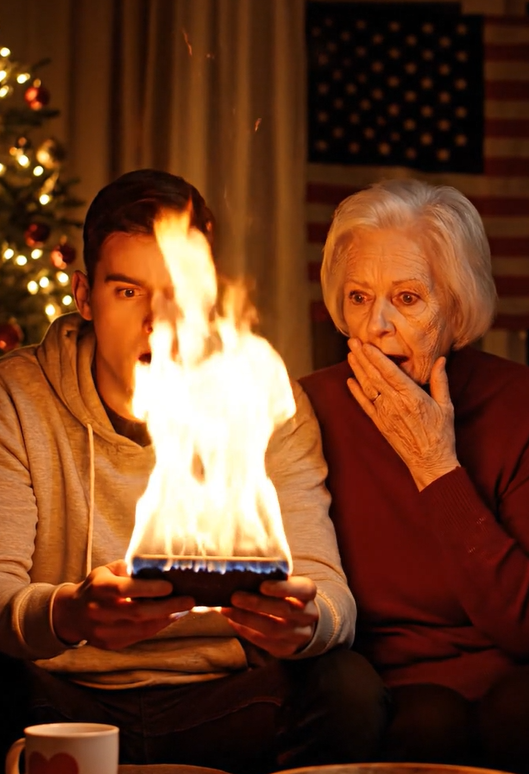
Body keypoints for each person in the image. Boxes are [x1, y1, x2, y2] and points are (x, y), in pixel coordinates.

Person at [0, 169, 388, 772]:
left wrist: (307, 623)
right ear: (83, 294)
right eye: (127, 291)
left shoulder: (263, 395)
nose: (157, 321)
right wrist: (68, 613)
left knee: (348, 686)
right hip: (63, 698)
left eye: (176, 295)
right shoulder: (18, 398)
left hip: (226, 696)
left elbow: (331, 593)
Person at [300, 178, 529, 774]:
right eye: (358, 298)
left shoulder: (518, 405)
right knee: (426, 723)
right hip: (377, 686)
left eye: (406, 299)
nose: (376, 326)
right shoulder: (305, 409)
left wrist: (436, 465)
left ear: (457, 305)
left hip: (515, 678)